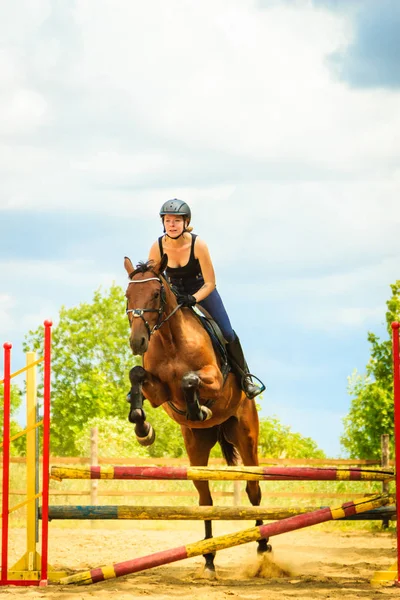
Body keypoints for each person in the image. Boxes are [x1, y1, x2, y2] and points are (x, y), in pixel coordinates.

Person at [148, 198, 265, 399]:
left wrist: (193, 298)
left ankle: (245, 379)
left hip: (201, 291)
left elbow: (210, 283)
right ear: (163, 223)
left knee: (227, 333)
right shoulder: (157, 247)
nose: (172, 225)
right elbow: (153, 279)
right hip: (174, 295)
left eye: (177, 221)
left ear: (186, 222)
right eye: (168, 221)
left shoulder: (198, 244)